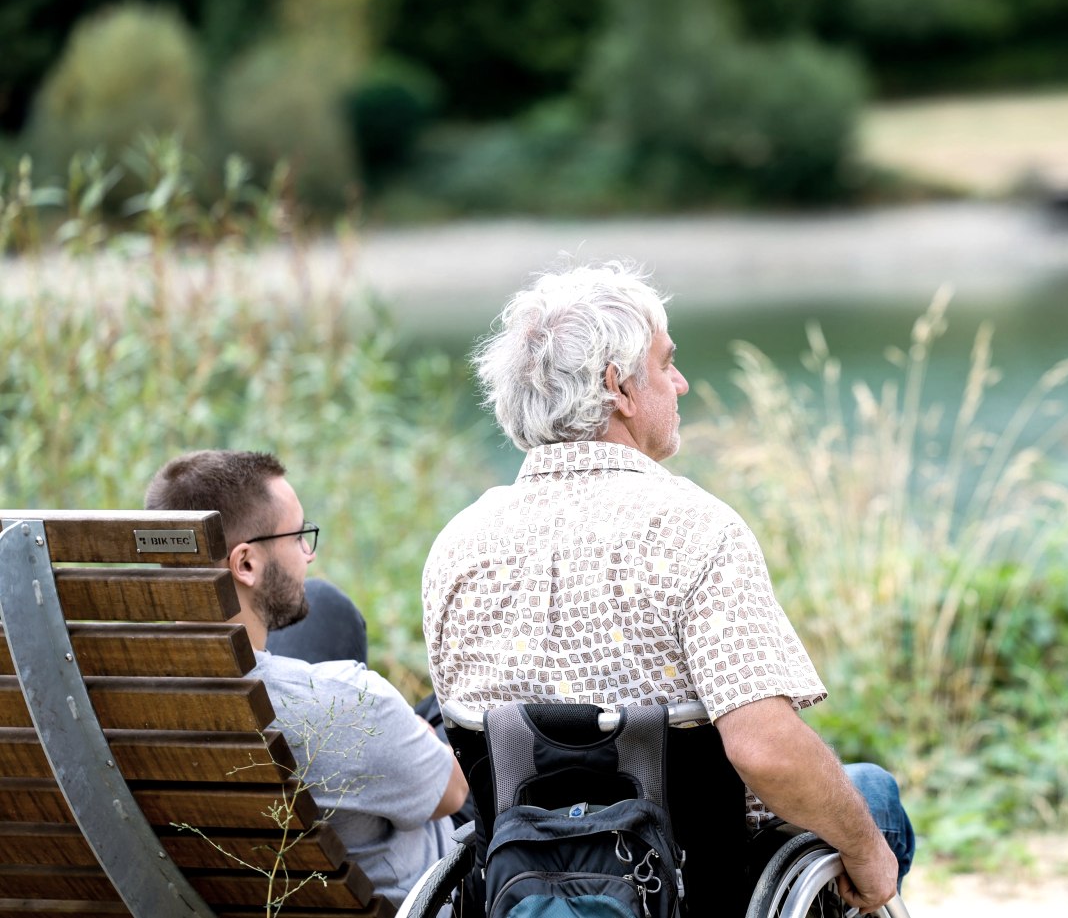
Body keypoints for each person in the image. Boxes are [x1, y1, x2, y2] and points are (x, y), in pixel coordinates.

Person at [422, 260, 913, 913]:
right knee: (872, 795)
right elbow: (766, 748)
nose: (680, 381)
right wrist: (870, 855)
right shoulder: (695, 529)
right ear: (617, 386)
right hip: (697, 885)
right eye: (667, 361)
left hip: (523, 880)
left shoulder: (457, 544)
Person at [145, 450, 469, 909]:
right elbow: (454, 792)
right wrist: (406, 728)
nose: (309, 553)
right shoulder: (351, 703)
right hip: (423, 893)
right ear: (246, 565)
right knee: (447, 716)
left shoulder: (111, 705)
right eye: (298, 536)